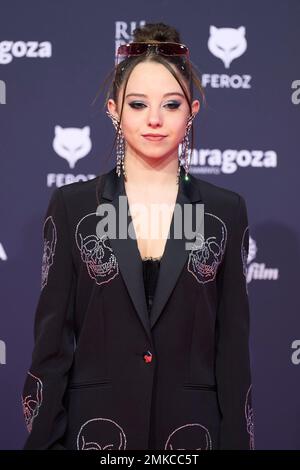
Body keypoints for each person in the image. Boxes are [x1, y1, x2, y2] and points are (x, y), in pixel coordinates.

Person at [21, 22, 254, 450]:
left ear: (192, 111)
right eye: (138, 103)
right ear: (114, 110)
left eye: (170, 104)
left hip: (192, 439)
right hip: (96, 435)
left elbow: (233, 349)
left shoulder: (223, 211)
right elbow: (52, 347)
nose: (154, 119)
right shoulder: (75, 207)